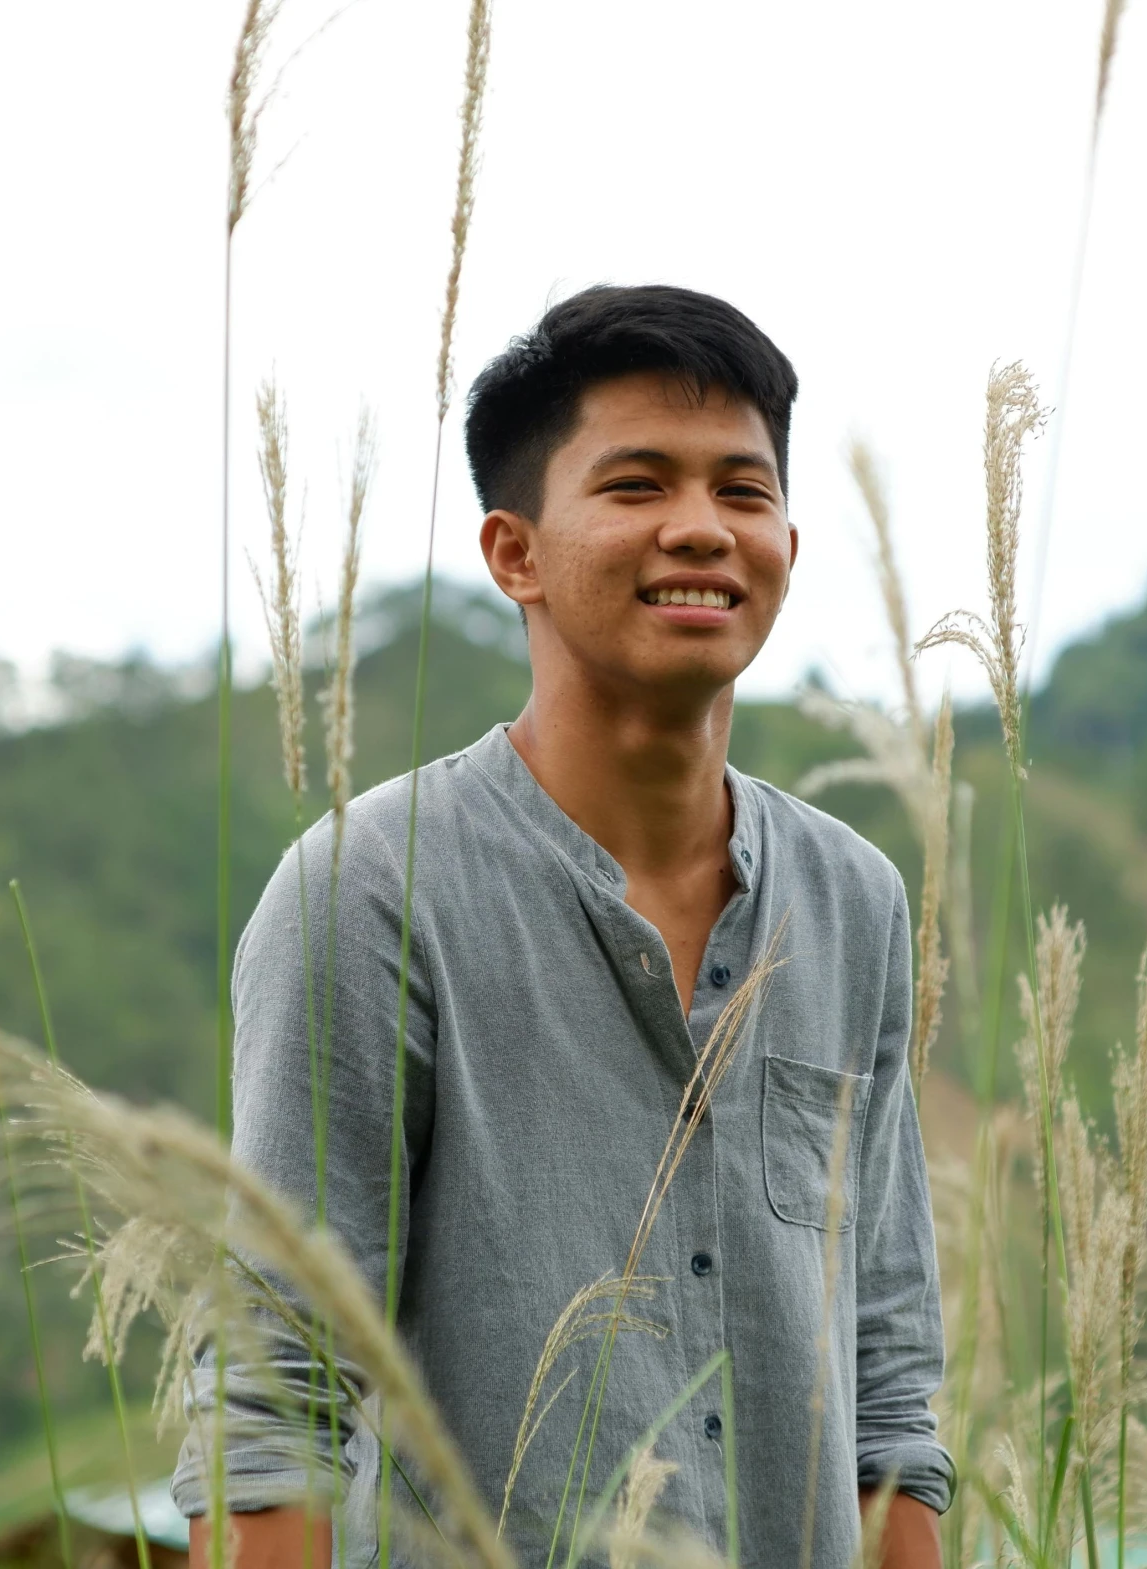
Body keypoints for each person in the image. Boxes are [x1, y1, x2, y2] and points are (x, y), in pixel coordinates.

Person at [177, 284, 952, 1567]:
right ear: (514, 552)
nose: (702, 530)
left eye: (743, 493)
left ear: (790, 548)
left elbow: (887, 1383)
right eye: (639, 485)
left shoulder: (850, 897)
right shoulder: (372, 891)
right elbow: (270, 1405)